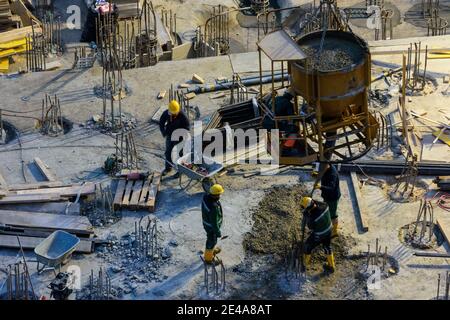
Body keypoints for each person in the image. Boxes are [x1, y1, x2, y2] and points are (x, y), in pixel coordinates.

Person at [300, 196, 335, 273]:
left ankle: (304, 265)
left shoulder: (313, 218)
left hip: (319, 235)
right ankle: (331, 266)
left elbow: (310, 227)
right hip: (329, 229)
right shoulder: (324, 205)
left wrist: (306, 215)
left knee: (307, 246)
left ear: (309, 208)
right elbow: (315, 202)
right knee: (327, 246)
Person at [159, 100, 190, 176]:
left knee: (179, 154)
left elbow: (187, 128)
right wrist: (163, 132)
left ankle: (180, 171)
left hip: (180, 138)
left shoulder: (183, 116)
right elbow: (161, 122)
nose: (173, 115)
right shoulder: (167, 113)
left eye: (174, 113)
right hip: (170, 136)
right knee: (168, 152)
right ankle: (168, 168)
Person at [315, 163, 341, 238]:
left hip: (332, 197)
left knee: (333, 214)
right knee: (328, 211)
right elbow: (324, 175)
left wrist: (320, 187)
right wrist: (317, 175)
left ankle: (334, 231)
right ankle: (329, 225)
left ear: (327, 165)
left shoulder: (332, 174)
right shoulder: (326, 168)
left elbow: (331, 188)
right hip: (327, 196)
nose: (321, 170)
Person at [201, 184, 224, 264]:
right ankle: (208, 259)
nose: (220, 195)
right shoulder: (213, 207)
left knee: (211, 239)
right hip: (211, 227)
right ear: (215, 195)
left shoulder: (206, 197)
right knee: (211, 241)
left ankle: (212, 250)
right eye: (219, 194)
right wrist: (218, 232)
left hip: (207, 223)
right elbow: (214, 223)